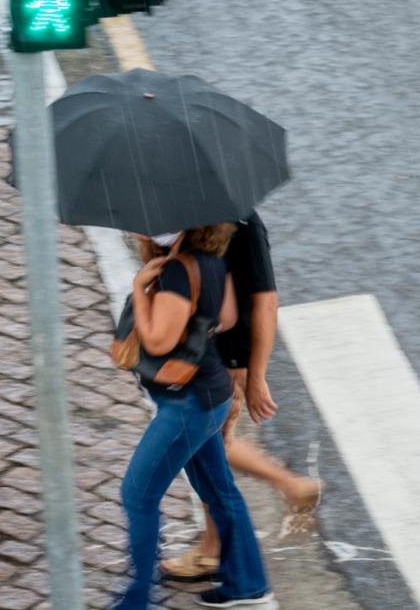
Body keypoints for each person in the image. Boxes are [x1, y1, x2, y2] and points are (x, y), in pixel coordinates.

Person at [159, 212, 322, 585]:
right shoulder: (186, 210)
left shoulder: (243, 223)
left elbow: (266, 303)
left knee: (207, 448)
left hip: (227, 357)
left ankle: (214, 551)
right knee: (207, 445)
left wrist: (255, 375)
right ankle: (289, 487)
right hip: (201, 352)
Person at [114, 225, 272, 608]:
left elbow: (157, 341)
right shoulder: (210, 260)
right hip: (210, 395)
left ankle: (136, 601)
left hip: (188, 405)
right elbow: (229, 316)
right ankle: (248, 584)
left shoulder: (176, 272)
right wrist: (196, 325)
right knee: (219, 490)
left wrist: (140, 288)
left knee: (137, 495)